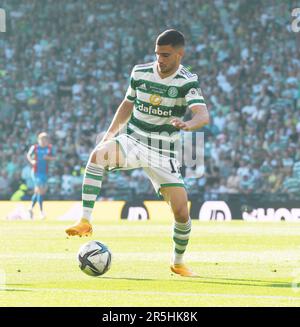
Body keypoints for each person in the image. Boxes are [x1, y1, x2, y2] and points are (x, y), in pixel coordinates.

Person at [66, 29, 210, 277]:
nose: (160, 60)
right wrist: (110, 134)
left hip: (163, 152)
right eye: (157, 54)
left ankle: (178, 262)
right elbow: (127, 104)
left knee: (181, 212)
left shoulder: (187, 80)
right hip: (133, 140)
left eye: (165, 55)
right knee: (97, 156)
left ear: (179, 53)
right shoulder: (140, 72)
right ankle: (85, 219)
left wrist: (189, 124)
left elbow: (202, 115)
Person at [26, 132, 55, 219]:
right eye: (42, 140)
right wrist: (32, 161)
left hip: (44, 172)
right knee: (40, 190)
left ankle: (30, 208)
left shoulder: (49, 148)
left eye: (45, 140)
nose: (43, 141)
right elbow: (28, 155)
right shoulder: (35, 147)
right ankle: (41, 212)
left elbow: (54, 157)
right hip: (36, 172)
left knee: (39, 191)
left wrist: (48, 158)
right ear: (38, 140)